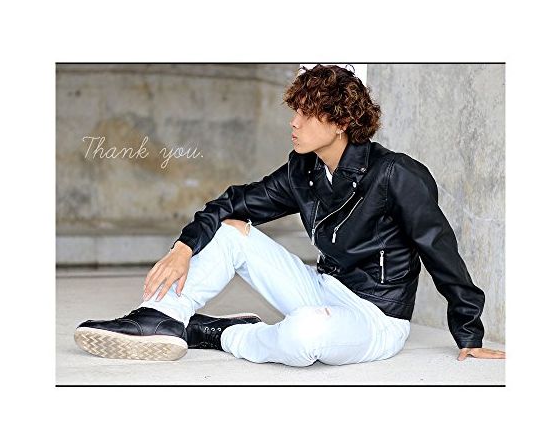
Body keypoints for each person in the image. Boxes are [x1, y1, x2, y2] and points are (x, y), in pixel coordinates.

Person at [74, 64, 504, 365]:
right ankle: (162, 317)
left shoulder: (396, 174)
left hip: (375, 318)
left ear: (340, 121)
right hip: (320, 288)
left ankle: (223, 334)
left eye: (307, 113)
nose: (294, 123)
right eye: (294, 111)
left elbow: (440, 251)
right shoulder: (304, 170)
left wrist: (469, 333)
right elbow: (234, 202)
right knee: (231, 231)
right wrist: (183, 247)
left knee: (304, 335)